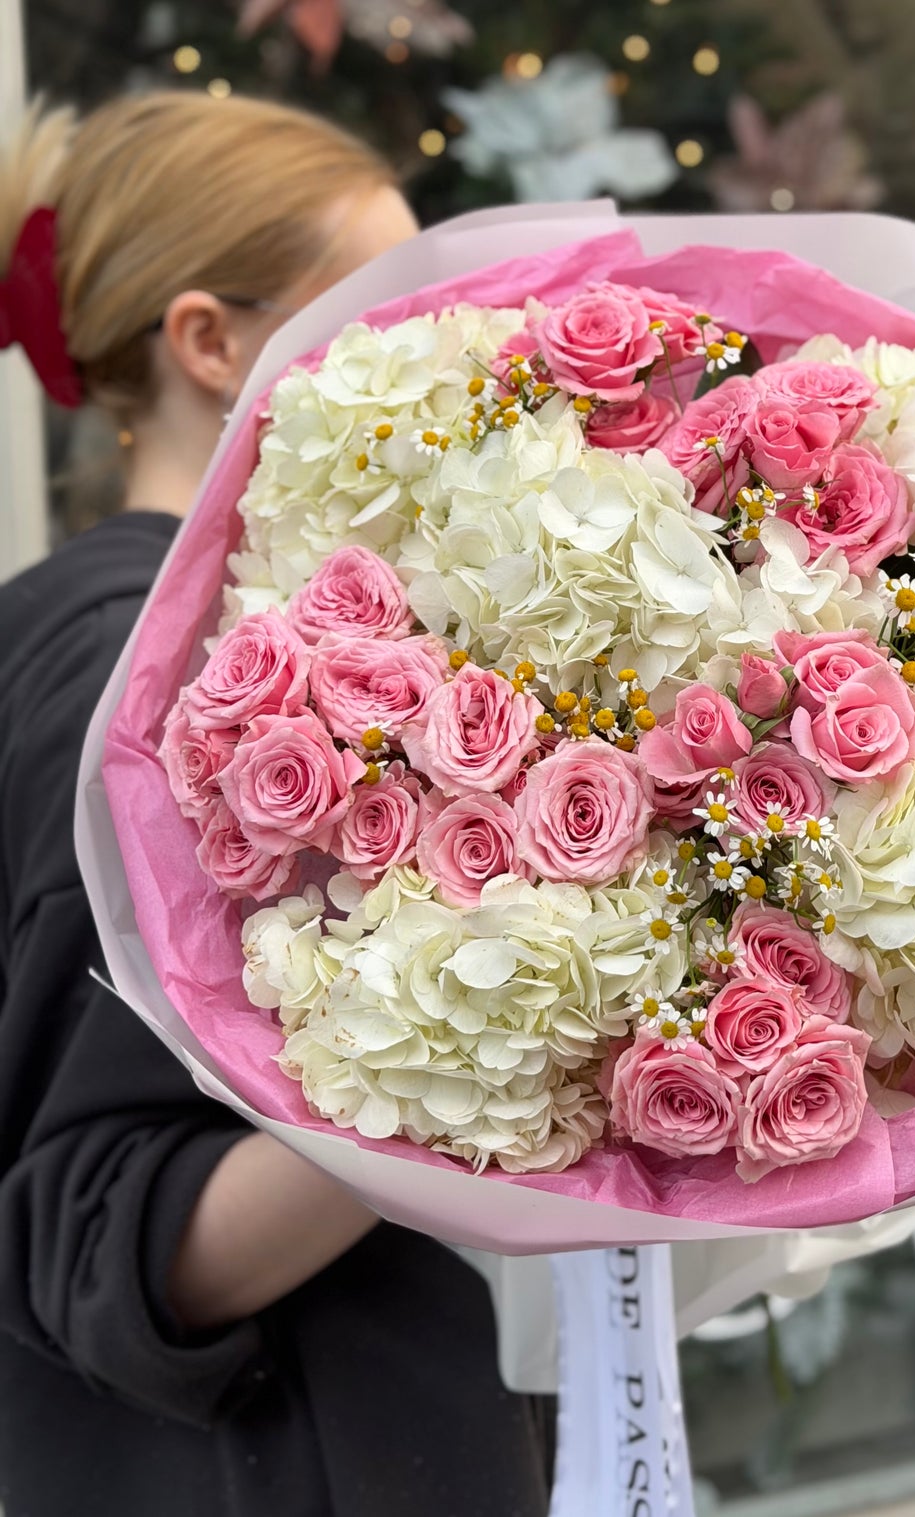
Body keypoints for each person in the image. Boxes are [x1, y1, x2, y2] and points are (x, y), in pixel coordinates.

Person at [0, 92, 553, 1517]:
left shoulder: (192, 637)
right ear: (210, 341)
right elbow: (106, 1237)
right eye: (389, 305)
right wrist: (497, 1039)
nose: (448, 348)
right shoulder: (139, 683)